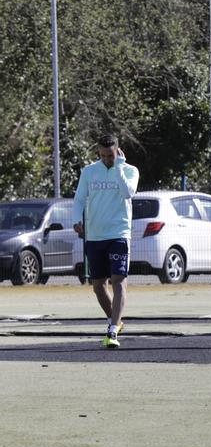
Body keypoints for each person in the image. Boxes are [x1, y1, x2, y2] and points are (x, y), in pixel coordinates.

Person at [71, 134, 139, 349]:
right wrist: (76, 220)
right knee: (98, 286)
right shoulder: (89, 172)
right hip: (95, 235)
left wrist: (118, 167)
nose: (107, 159)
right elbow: (80, 198)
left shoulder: (129, 170)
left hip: (119, 233)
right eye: (102, 155)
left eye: (110, 155)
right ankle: (116, 321)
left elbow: (128, 193)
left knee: (118, 280)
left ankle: (111, 330)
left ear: (117, 151)